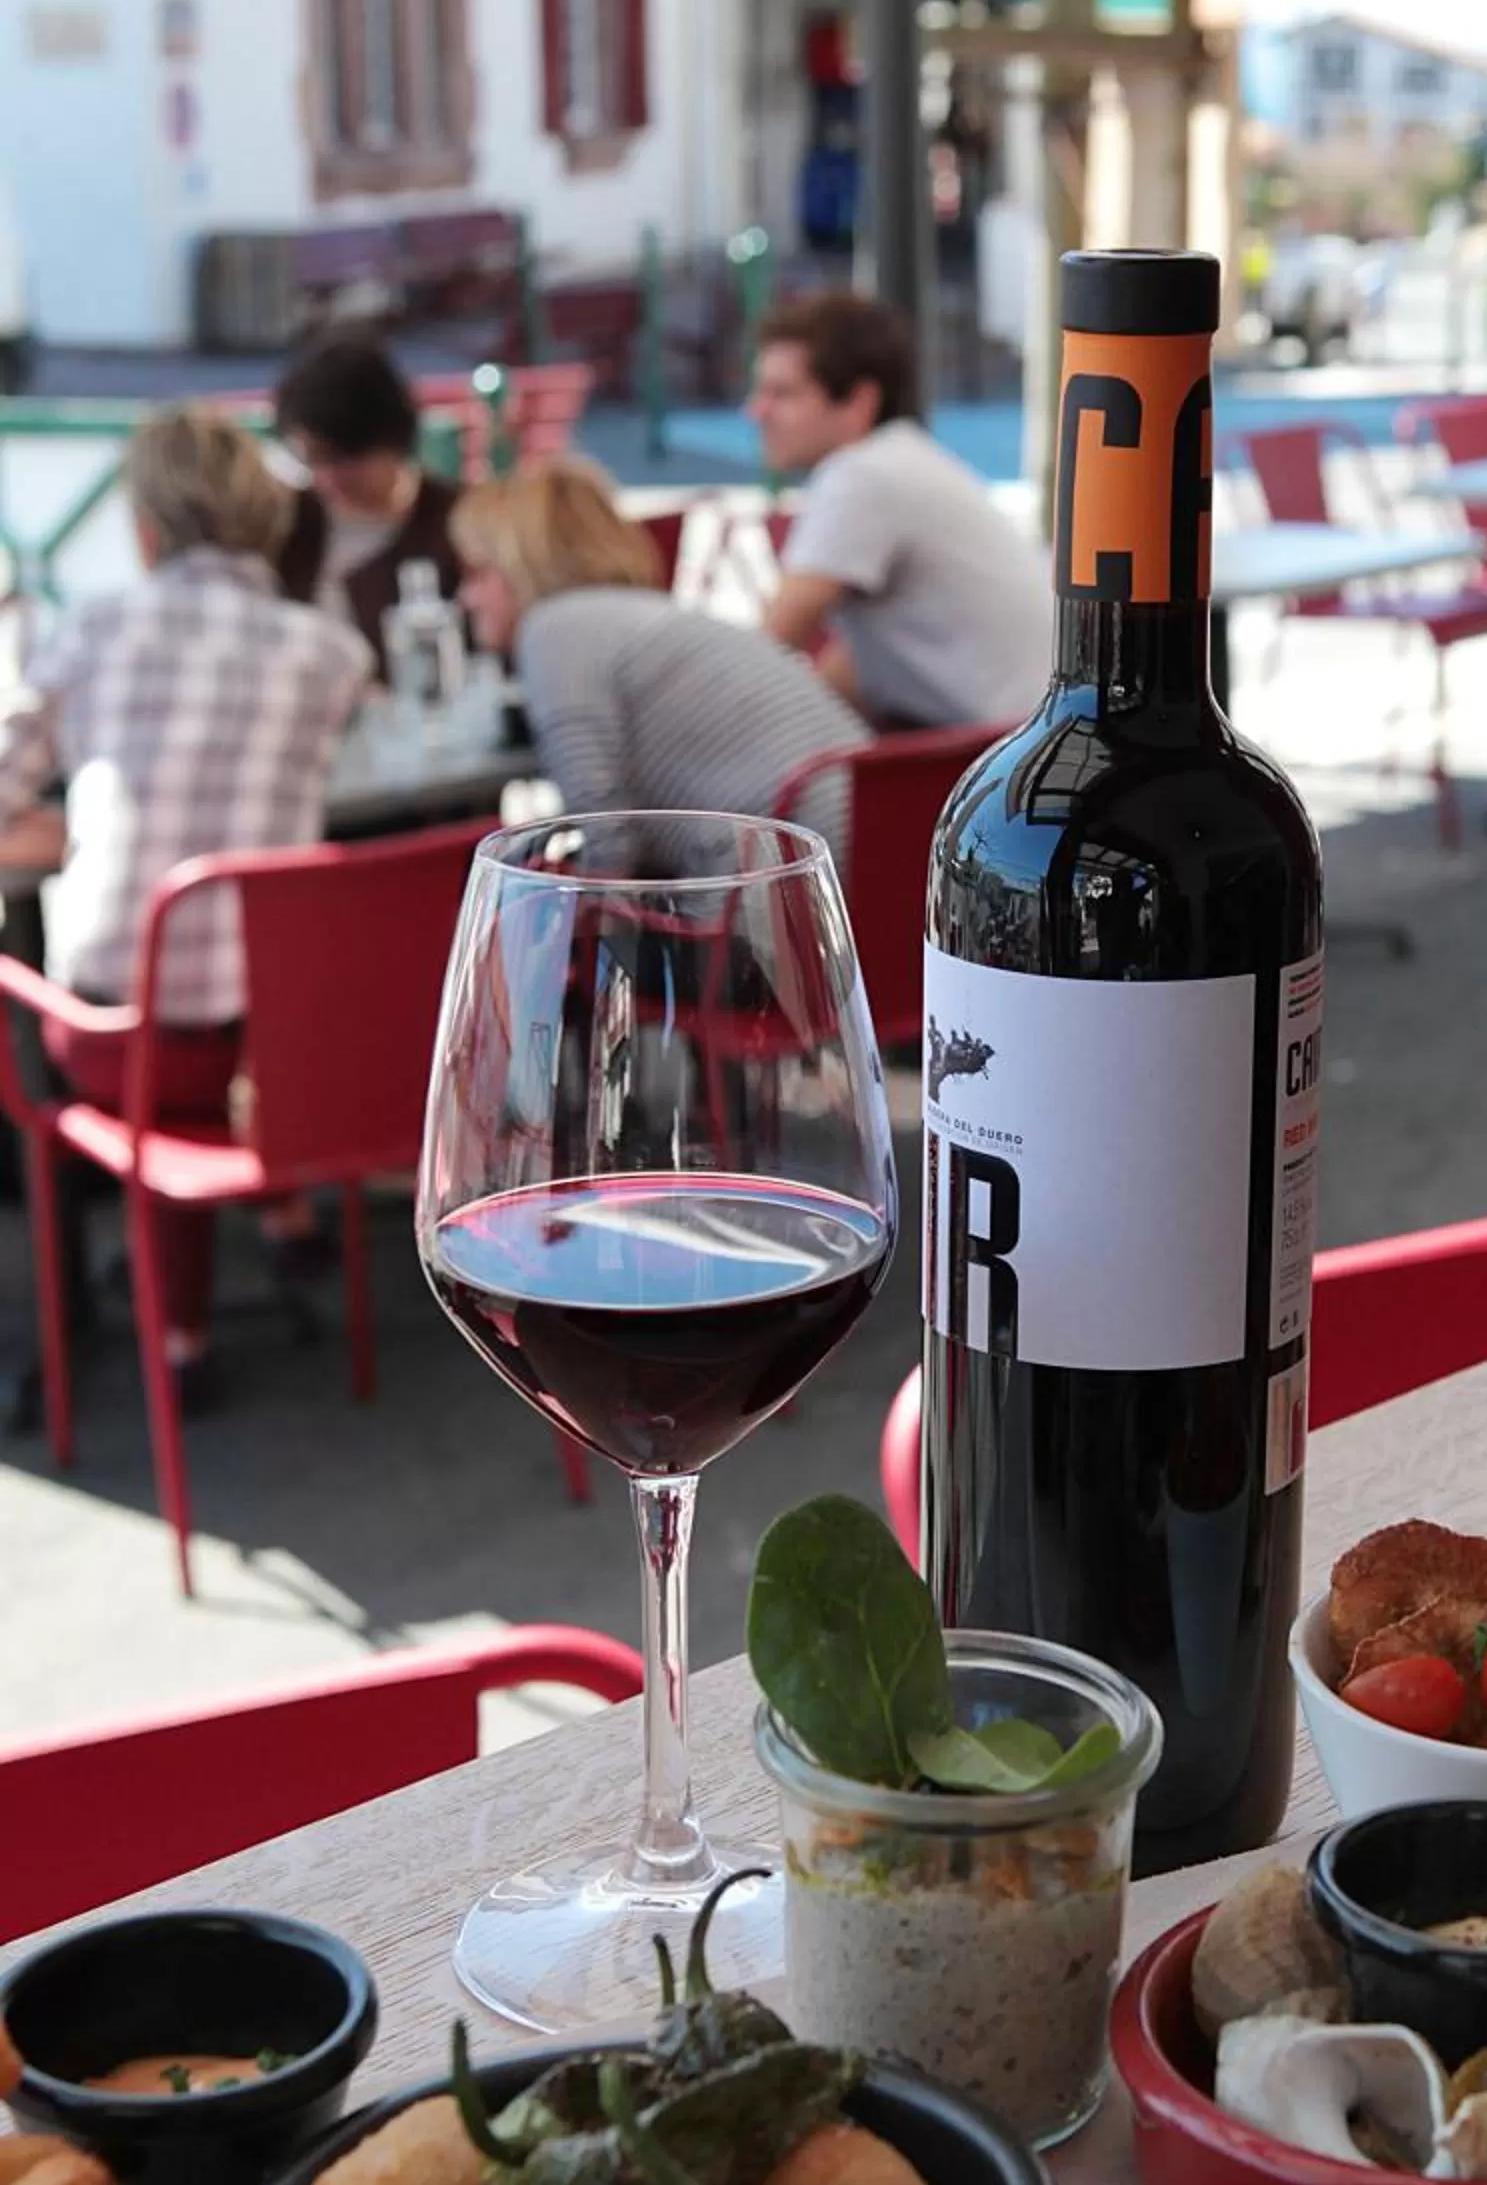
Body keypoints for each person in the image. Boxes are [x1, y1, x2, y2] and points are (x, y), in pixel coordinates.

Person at [0, 409, 373, 1392]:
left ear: (146, 528)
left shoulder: (91, 625)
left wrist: (78, 828)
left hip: (124, 1045)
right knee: (217, 1006)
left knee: (131, 1014)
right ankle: (281, 1215)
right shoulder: (332, 654)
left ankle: (182, 1344)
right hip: (276, 1048)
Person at [450, 457, 868, 864]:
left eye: (476, 573)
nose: (464, 598)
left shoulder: (552, 629)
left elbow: (606, 836)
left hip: (796, 867)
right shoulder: (632, 615)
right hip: (871, 823)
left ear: (521, 564)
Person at [747, 291, 1047, 731]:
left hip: (987, 762)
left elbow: (767, 648)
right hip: (1020, 738)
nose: (756, 411)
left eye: (783, 393)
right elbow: (858, 666)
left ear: (859, 402)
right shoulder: (902, 460)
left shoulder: (862, 477)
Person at [272, 331, 465, 664]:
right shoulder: (289, 523)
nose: (326, 478)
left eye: (343, 459)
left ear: (391, 441)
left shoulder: (454, 521)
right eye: (311, 459)